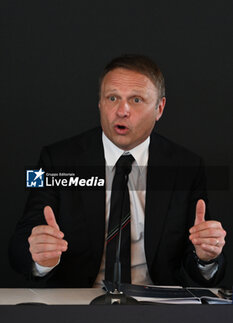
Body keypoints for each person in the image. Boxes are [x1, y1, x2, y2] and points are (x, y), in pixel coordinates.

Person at [9, 54, 226, 287]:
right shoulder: (55, 160)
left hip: (158, 309)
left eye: (136, 100)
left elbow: (200, 259)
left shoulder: (187, 167)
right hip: (78, 307)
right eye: (113, 98)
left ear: (159, 108)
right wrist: (41, 259)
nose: (122, 111)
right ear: (100, 103)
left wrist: (206, 257)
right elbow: (19, 247)